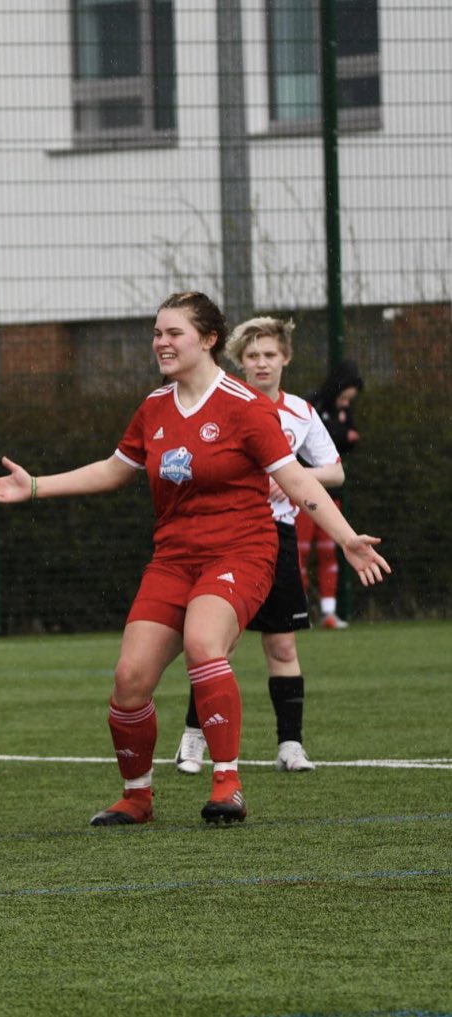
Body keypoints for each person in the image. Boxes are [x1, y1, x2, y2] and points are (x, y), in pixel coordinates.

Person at [0, 291, 388, 828]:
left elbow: (296, 480)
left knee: (203, 643)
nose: (160, 343)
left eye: (173, 333)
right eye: (157, 333)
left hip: (242, 550)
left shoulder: (247, 407)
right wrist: (34, 486)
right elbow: (112, 469)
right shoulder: (154, 407)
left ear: (209, 339)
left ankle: (227, 784)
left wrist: (346, 536)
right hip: (173, 559)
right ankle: (137, 797)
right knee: (129, 681)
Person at [175, 316, 343, 777]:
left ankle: (290, 744)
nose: (262, 363)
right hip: (225, 539)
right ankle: (193, 741)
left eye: (270, 355)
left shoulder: (301, 414)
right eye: (252, 356)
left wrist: (291, 478)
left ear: (285, 358)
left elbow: (334, 471)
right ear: (238, 361)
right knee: (214, 646)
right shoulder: (223, 405)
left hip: (278, 540)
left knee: (283, 646)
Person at [296, 360, 364, 629]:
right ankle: (299, 613)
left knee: (328, 552)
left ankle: (329, 613)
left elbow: (351, 440)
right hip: (302, 496)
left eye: (351, 398)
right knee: (299, 553)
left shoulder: (344, 410)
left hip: (331, 493)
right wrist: (340, 433)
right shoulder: (309, 406)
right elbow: (338, 437)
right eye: (345, 395)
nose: (347, 402)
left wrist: (342, 435)